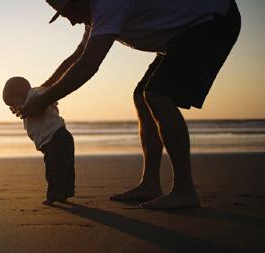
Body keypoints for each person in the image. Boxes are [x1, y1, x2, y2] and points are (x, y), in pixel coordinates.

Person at [16, 0, 241, 209]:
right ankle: (150, 184)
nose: (73, 21)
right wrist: (40, 92)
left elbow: (87, 66)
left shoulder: (106, 4)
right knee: (142, 96)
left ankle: (185, 190)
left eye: (70, 13)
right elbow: (76, 57)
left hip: (213, 21)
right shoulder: (93, 14)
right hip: (184, 33)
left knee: (157, 96)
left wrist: (43, 100)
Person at [3, 76, 75, 205]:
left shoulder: (36, 96)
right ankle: (64, 192)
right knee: (64, 167)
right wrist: (21, 106)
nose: (14, 107)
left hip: (56, 138)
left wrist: (25, 104)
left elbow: (47, 94)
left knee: (54, 169)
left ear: (19, 92)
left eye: (13, 102)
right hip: (55, 140)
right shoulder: (27, 106)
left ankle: (54, 195)